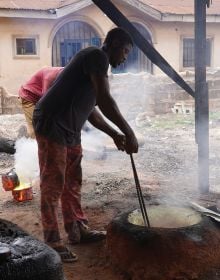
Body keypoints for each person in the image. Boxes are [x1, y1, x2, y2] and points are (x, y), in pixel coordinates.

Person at [32, 27, 139, 263]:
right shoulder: (96, 56)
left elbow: (91, 109)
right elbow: (104, 99)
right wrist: (128, 132)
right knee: (53, 183)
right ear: (112, 44)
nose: (125, 57)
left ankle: (77, 229)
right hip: (52, 123)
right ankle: (52, 243)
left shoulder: (97, 68)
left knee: (73, 180)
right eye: (124, 51)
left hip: (70, 128)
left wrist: (114, 133)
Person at [18, 66, 63, 138]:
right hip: (28, 97)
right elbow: (45, 102)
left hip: (39, 97)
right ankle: (32, 147)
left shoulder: (68, 74)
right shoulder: (50, 77)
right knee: (35, 127)